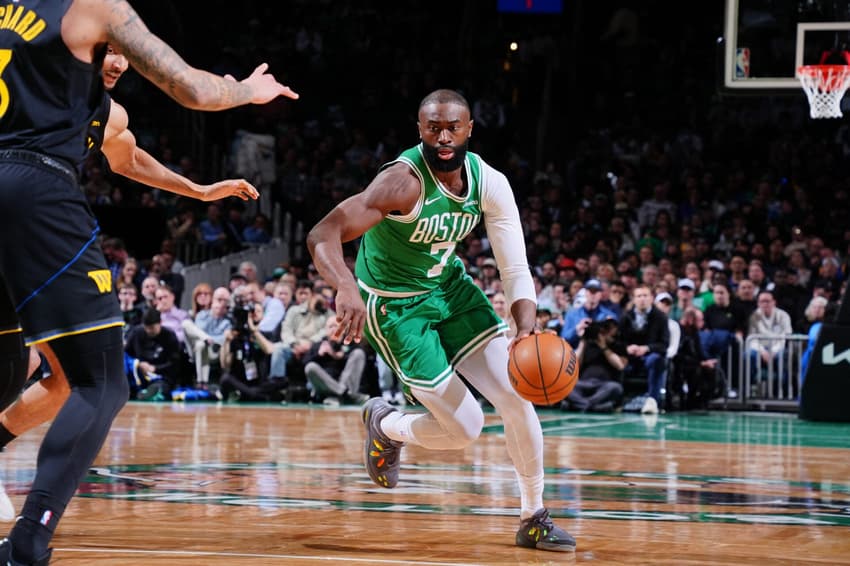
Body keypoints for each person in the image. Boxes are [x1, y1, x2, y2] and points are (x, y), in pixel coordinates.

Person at [0, 1, 297, 562]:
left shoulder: (89, 99)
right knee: (104, 382)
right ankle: (27, 546)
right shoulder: (91, 8)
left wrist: (203, 192)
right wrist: (245, 91)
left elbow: (129, 159)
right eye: (111, 51)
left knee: (50, 377)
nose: (116, 61)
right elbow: (195, 90)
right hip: (34, 191)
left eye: (121, 57)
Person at [307, 89, 575, 552]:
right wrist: (345, 286)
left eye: (453, 127)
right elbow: (323, 232)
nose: (444, 137)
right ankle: (386, 424)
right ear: (420, 131)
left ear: (470, 128)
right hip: (395, 307)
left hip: (448, 288)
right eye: (434, 128)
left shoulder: (489, 182)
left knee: (516, 397)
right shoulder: (401, 183)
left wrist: (526, 328)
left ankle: (534, 516)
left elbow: (514, 268)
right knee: (465, 429)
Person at [562, 318, 626, 412]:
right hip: (583, 384)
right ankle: (593, 407)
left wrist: (603, 346)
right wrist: (583, 341)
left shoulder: (616, 346)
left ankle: (579, 405)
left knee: (616, 388)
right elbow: (574, 365)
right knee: (564, 386)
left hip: (603, 385)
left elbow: (620, 366)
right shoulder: (586, 345)